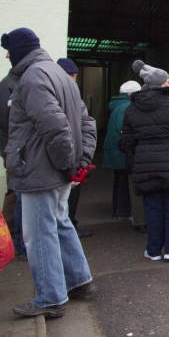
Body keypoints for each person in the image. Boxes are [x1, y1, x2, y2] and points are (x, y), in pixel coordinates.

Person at [3, 28, 97, 318]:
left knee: (39, 234)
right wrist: (79, 161)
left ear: (20, 50)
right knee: (60, 223)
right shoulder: (59, 74)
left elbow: (55, 127)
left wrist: (66, 163)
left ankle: (51, 298)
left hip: (40, 170)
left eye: (9, 49)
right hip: (56, 169)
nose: (7, 55)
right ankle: (80, 281)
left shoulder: (31, 78)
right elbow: (86, 122)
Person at [119, 60, 169, 263]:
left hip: (145, 163)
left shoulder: (131, 108)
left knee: (152, 208)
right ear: (161, 83)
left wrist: (137, 157)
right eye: (168, 80)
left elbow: (127, 141)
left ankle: (153, 250)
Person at [57, 58, 93, 239]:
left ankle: (70, 227)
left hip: (74, 159)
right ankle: (67, 230)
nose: (75, 81)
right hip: (64, 160)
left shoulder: (77, 101)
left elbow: (87, 127)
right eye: (74, 76)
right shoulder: (54, 98)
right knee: (63, 201)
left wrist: (84, 158)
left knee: (71, 198)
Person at [103, 81, 141, 222]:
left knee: (119, 181)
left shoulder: (117, 105)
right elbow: (124, 130)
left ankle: (117, 211)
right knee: (125, 183)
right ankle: (123, 212)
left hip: (114, 149)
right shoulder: (127, 107)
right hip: (122, 151)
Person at [1, 44, 22, 257]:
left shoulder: (15, 83)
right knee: (14, 194)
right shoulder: (8, 86)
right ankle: (8, 241)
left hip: (15, 150)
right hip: (13, 151)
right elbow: (5, 122)